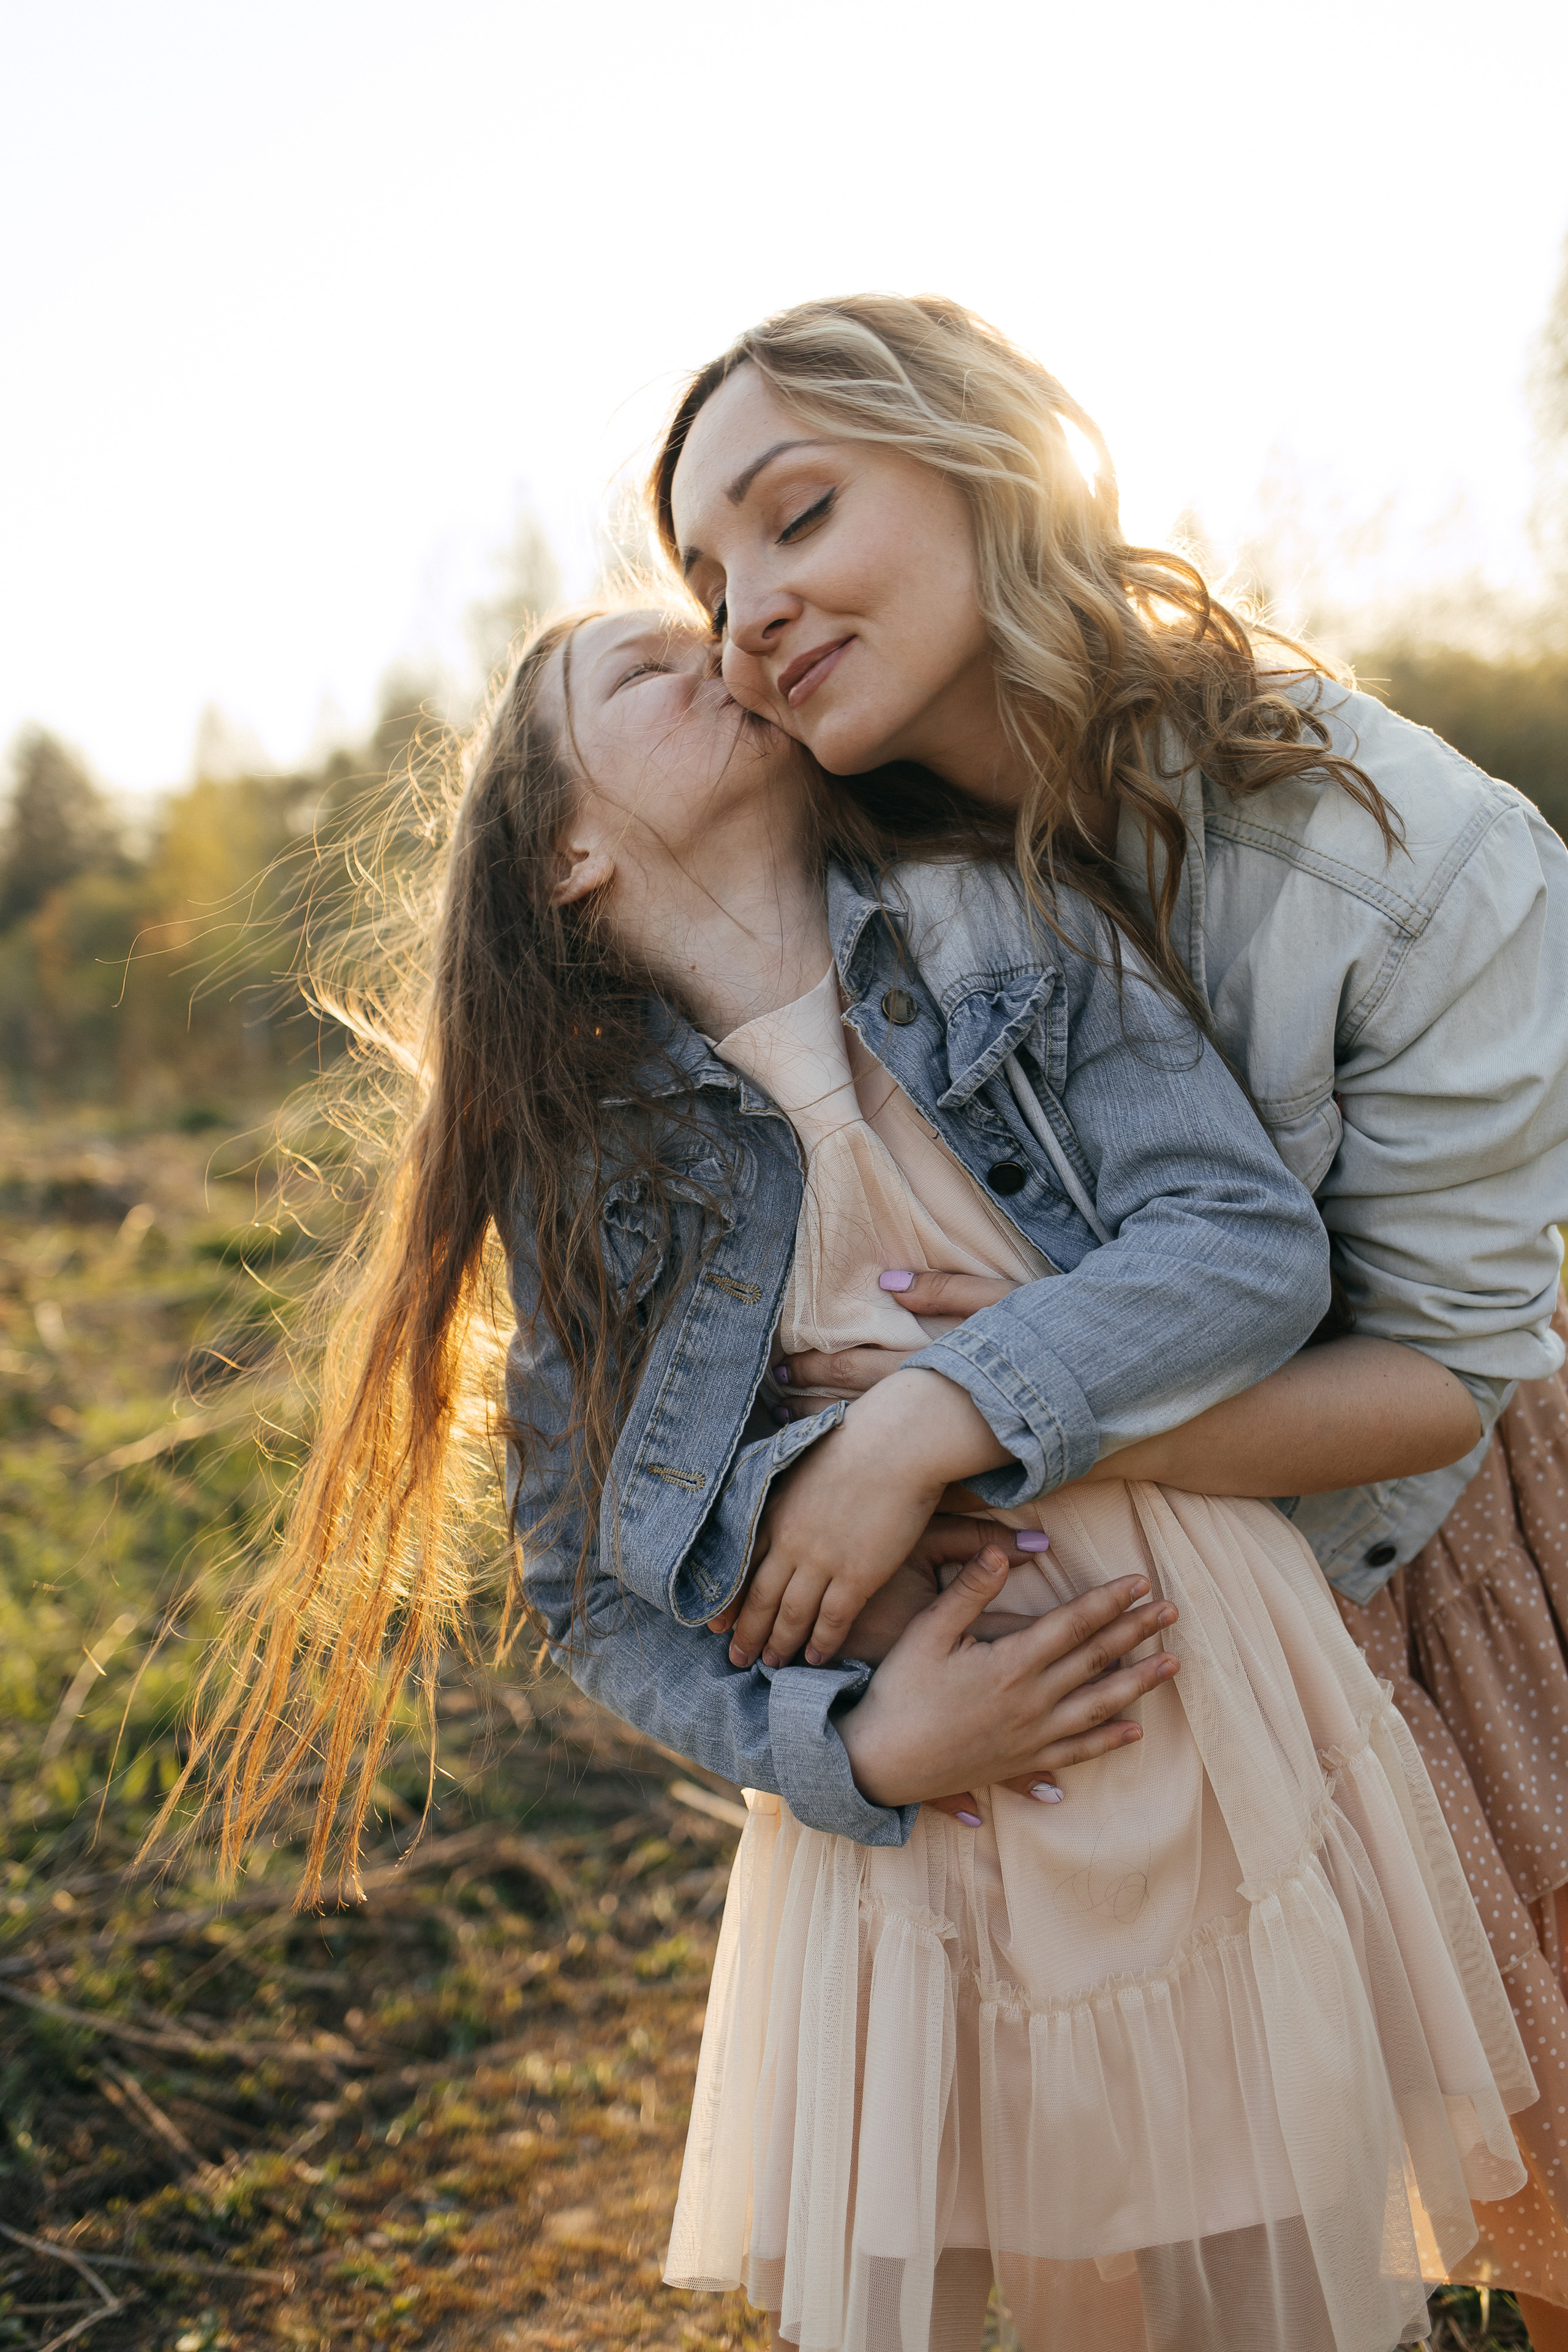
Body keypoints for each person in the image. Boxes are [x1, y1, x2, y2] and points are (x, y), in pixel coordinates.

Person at [653, 290, 1568, 2343]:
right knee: (1138, 2250)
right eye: (708, 580)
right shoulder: (812, 887)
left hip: (1410, 1559)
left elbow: (1439, 1378)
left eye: (799, 516)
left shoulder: (1415, 862)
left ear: (995, 465)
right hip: (1067, 1646)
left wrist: (955, 1412)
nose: (750, 614)